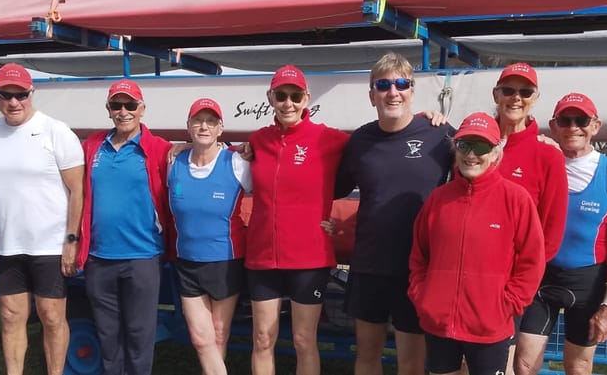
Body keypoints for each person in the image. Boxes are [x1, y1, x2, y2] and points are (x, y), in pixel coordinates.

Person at [333, 52, 454, 375]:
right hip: (370, 264)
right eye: (383, 85)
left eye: (401, 84)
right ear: (372, 95)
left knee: (412, 362)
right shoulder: (360, 140)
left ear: (412, 91)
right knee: (367, 354)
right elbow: (330, 188)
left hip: (419, 267)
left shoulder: (438, 134)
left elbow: (481, 165)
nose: (393, 92)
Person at [409, 112, 545, 375]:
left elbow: (532, 262)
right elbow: (419, 255)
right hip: (439, 323)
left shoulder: (516, 199)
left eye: (481, 146)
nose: (472, 154)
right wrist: (423, 296)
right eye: (464, 145)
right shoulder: (438, 199)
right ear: (455, 149)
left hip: (490, 326)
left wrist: (507, 304)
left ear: (495, 153)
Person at [0, 63, 85, 375]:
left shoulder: (56, 130)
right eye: (5, 95)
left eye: (20, 94)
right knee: (11, 317)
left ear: (31, 93)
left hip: (49, 245)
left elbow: (77, 189)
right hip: (8, 245)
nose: (13, 102)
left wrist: (71, 240)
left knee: (51, 316)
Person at [514, 93, 607, 375]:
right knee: (523, 364)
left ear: (595, 125)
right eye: (565, 121)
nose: (573, 128)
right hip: (541, 277)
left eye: (581, 120)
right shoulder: (541, 161)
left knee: (578, 365)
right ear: (554, 126)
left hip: (587, 283)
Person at [246, 65, 349, 375]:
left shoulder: (329, 139)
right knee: (263, 338)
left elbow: (378, 144)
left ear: (307, 99)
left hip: (308, 258)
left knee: (304, 339)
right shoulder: (258, 140)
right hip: (263, 258)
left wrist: (424, 121)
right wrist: (178, 151)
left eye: (295, 96)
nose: (288, 103)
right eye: (281, 96)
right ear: (270, 98)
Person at [78, 79, 173, 375]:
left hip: (142, 257)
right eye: (116, 105)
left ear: (142, 109)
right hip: (99, 257)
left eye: (130, 105)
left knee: (139, 336)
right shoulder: (92, 146)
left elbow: (200, 156)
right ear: (108, 110)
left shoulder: (158, 148)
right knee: (107, 336)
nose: (123, 111)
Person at [492, 62, 569, 373]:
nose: (516, 98)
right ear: (496, 95)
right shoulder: (473, 143)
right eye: (508, 90)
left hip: (511, 283)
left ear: (535, 98)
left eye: (525, 92)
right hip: (469, 275)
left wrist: (520, 285)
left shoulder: (547, 154)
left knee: (504, 362)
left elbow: (550, 234)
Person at [168, 98, 252, 375]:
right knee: (200, 338)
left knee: (217, 334)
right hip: (187, 262)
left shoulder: (238, 162)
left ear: (220, 128)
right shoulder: (173, 161)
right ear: (188, 127)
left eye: (211, 121)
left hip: (225, 261)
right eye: (198, 121)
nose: (204, 126)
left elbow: (271, 192)